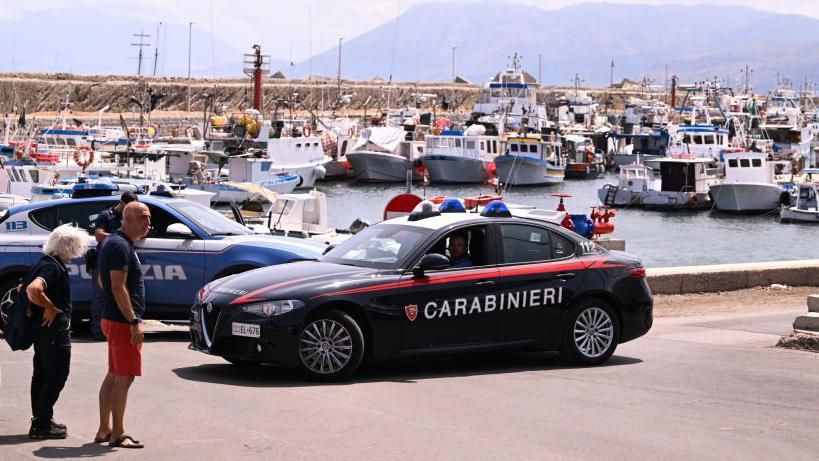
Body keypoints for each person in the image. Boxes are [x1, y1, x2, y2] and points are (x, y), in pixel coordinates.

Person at [95, 202, 150, 449]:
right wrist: (133, 320)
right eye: (144, 219)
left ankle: (104, 429)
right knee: (124, 377)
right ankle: (118, 432)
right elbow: (117, 286)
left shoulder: (115, 243)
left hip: (113, 317)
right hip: (121, 321)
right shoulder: (119, 245)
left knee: (115, 375)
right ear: (128, 218)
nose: (148, 224)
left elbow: (100, 279)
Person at [25, 224, 88, 439]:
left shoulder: (45, 262)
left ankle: (41, 421)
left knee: (41, 375)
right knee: (56, 375)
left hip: (43, 332)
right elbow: (34, 289)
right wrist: (50, 306)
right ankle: (42, 423)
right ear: (69, 247)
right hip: (54, 332)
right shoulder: (52, 267)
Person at [90, 191, 138, 340]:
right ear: (122, 203)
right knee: (102, 295)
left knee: (120, 293)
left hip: (121, 259)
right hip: (104, 260)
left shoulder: (128, 216)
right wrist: (119, 238)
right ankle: (98, 331)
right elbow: (98, 235)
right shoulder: (106, 215)